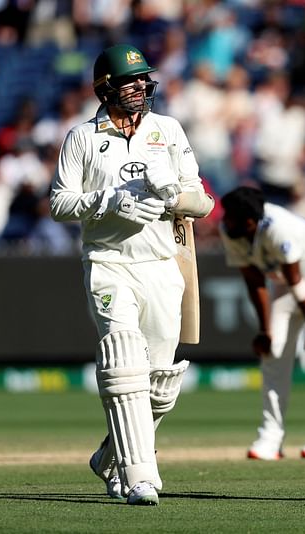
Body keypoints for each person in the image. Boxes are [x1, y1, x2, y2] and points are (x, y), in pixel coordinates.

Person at [49, 43, 214, 506]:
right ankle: (142, 476)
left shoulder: (169, 130)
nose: (141, 85)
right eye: (130, 80)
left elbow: (203, 203)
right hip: (108, 263)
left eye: (144, 78)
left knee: (159, 382)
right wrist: (107, 201)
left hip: (162, 265)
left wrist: (174, 195)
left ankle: (111, 456)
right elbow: (60, 203)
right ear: (106, 88)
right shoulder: (82, 138)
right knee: (124, 364)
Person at [219, 186, 305, 461]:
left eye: (230, 217)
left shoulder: (279, 228)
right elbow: (254, 283)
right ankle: (271, 435)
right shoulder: (231, 230)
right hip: (288, 279)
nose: (224, 221)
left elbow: (296, 282)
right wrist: (264, 331)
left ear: (250, 222)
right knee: (272, 348)